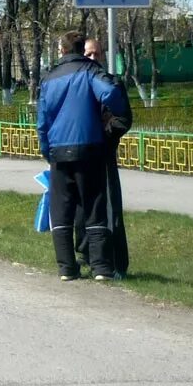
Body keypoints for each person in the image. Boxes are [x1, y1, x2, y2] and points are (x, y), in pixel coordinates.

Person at [37, 30, 131, 282]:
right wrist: (117, 111)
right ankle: (101, 268)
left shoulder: (49, 78)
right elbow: (110, 92)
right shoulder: (90, 72)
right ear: (81, 49)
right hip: (90, 147)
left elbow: (42, 121)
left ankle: (67, 268)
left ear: (62, 50)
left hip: (59, 151)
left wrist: (47, 149)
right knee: (94, 207)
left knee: (61, 210)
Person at [73, 38, 131, 277]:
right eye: (88, 54)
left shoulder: (112, 84)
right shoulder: (76, 85)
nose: (93, 59)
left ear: (104, 57)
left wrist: (102, 135)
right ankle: (87, 256)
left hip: (103, 155)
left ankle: (116, 263)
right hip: (78, 156)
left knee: (109, 211)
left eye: (97, 54)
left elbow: (122, 119)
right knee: (79, 211)